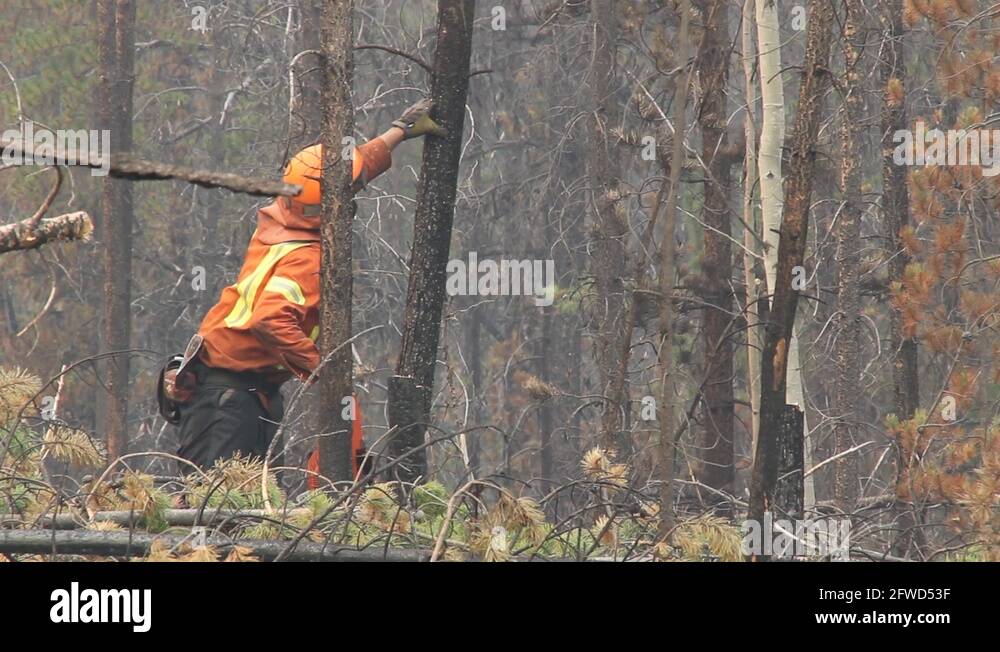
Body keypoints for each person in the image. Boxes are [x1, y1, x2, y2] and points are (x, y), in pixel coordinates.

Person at [170, 98, 446, 480]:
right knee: (212, 509)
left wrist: (399, 130)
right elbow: (270, 319)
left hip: (232, 391)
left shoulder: (279, 219)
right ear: (328, 209)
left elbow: (345, 172)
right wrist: (323, 369)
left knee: (234, 505)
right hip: (228, 401)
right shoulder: (306, 260)